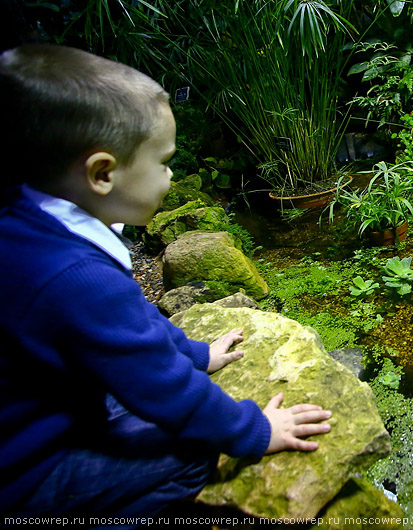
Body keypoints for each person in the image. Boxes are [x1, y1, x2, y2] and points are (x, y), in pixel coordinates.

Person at [0, 44, 332, 524]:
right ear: (102, 173)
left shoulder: (31, 221)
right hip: (28, 471)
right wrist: (253, 430)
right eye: (163, 162)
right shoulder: (78, 277)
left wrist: (199, 355)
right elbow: (163, 387)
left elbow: (134, 333)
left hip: (40, 415)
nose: (172, 175)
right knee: (197, 453)